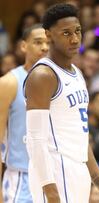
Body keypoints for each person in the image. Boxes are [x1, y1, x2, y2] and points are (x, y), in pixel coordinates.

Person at [24, 3, 99, 202]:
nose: (75, 39)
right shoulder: (42, 75)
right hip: (54, 170)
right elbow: (35, 140)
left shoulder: (77, 74)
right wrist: (51, 193)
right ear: (48, 35)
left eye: (77, 31)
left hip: (78, 168)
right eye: (66, 33)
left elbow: (82, 138)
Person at [0, 24, 48, 202]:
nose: (45, 47)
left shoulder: (64, 81)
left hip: (56, 176)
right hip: (22, 178)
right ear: (23, 46)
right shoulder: (9, 83)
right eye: (38, 42)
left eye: (49, 42)